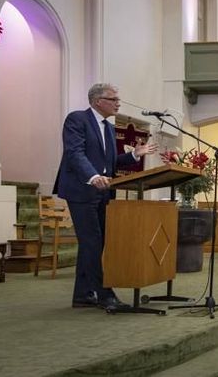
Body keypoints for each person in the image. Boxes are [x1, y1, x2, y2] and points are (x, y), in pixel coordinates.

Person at [53, 83, 157, 309]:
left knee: (95, 245)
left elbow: (110, 162)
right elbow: (74, 153)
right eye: (113, 99)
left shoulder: (109, 128)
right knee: (92, 241)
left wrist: (133, 155)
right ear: (97, 101)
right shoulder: (77, 119)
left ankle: (82, 295)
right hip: (82, 189)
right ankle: (104, 295)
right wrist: (92, 176)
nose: (118, 102)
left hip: (104, 191)